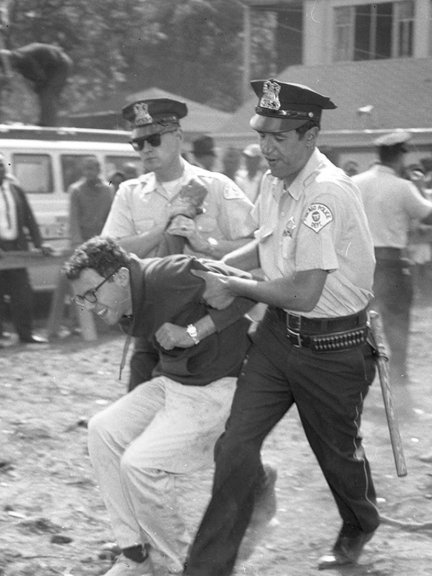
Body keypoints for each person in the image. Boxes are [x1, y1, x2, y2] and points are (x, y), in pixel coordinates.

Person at [183, 79, 379, 575]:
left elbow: (302, 292)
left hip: (334, 345)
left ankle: (359, 523)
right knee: (234, 446)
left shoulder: (325, 196)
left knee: (337, 456)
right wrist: (226, 266)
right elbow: (263, 245)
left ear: (310, 137)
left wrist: (237, 286)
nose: (266, 148)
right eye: (262, 135)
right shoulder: (275, 180)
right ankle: (207, 567)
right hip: (276, 338)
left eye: (280, 138)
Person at [64, 236, 255, 575]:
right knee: (101, 430)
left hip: (218, 385)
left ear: (121, 277)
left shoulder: (171, 273)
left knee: (139, 464)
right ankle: (135, 554)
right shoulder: (127, 297)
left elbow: (250, 288)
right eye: (81, 299)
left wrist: (195, 332)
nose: (89, 305)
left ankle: (180, 566)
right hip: (176, 383)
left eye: (91, 294)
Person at [102, 98, 255, 391]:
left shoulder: (216, 186)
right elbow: (111, 256)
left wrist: (206, 244)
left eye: (154, 139)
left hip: (207, 320)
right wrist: (160, 230)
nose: (146, 149)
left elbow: (256, 246)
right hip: (152, 322)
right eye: (138, 143)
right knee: (137, 407)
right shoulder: (130, 193)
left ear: (179, 136)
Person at [353, 130, 432, 393]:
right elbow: (427, 214)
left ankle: (357, 378)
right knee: (397, 324)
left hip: (361, 265)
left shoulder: (355, 182)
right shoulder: (402, 186)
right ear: (399, 155)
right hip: (391, 263)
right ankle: (398, 382)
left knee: (356, 325)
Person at [0, 150, 54, 346]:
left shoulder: (16, 191)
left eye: (1, 165)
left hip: (16, 248)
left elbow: (29, 220)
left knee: (23, 293)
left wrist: (40, 244)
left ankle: (26, 334)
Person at [0, 42, 72, 127]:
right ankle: (46, 122)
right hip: (52, 67)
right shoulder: (18, 59)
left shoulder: (23, 58)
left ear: (8, 61)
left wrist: (39, 87)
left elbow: (39, 75)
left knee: (47, 93)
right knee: (45, 93)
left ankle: (48, 124)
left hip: (60, 64)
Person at [68, 156, 114, 247]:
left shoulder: (108, 189)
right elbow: (74, 218)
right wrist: (77, 242)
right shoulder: (76, 190)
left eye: (91, 169)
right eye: (86, 169)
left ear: (98, 171)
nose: (88, 173)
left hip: (104, 238)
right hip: (84, 239)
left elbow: (111, 215)